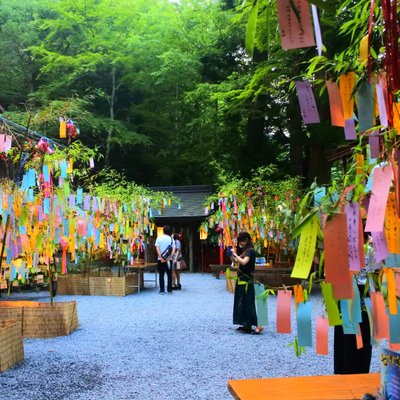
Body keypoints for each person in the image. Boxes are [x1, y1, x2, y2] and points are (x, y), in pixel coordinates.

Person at [230, 231, 263, 334]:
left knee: (248, 301)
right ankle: (246, 324)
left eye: (242, 241)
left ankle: (259, 325)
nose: (241, 243)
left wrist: (235, 254)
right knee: (241, 301)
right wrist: (232, 255)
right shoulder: (245, 251)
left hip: (247, 279)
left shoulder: (251, 251)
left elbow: (244, 262)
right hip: (241, 278)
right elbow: (236, 262)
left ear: (247, 240)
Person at [155, 225, 174, 294]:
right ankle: (169, 289)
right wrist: (169, 258)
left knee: (161, 274)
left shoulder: (159, 238)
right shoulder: (171, 239)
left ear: (163, 231)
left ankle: (162, 289)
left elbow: (157, 248)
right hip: (169, 260)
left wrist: (161, 257)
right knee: (169, 274)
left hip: (160, 260)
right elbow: (173, 249)